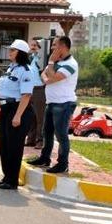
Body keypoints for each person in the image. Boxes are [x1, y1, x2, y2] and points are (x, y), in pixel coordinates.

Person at [26, 35, 78, 174]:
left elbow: (53, 77)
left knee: (61, 135)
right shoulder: (57, 62)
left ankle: (63, 164)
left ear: (63, 47)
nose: (52, 48)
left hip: (64, 104)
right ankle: (44, 158)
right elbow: (44, 76)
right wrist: (49, 76)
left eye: (55, 45)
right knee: (46, 132)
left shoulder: (70, 64)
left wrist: (50, 65)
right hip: (51, 102)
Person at [0, 40, 35, 189]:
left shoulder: (26, 70)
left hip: (18, 109)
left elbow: (26, 95)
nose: (9, 52)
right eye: (10, 50)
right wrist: (0, 109)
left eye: (13, 50)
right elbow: (5, 92)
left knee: (14, 146)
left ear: (21, 53)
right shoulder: (11, 68)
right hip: (6, 109)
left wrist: (18, 116)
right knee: (4, 144)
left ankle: (12, 180)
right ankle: (7, 176)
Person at [25, 38, 46, 149]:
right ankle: (31, 139)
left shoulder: (42, 59)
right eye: (31, 45)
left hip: (39, 90)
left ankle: (40, 140)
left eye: (35, 45)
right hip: (30, 90)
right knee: (31, 116)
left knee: (39, 117)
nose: (32, 47)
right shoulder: (30, 58)